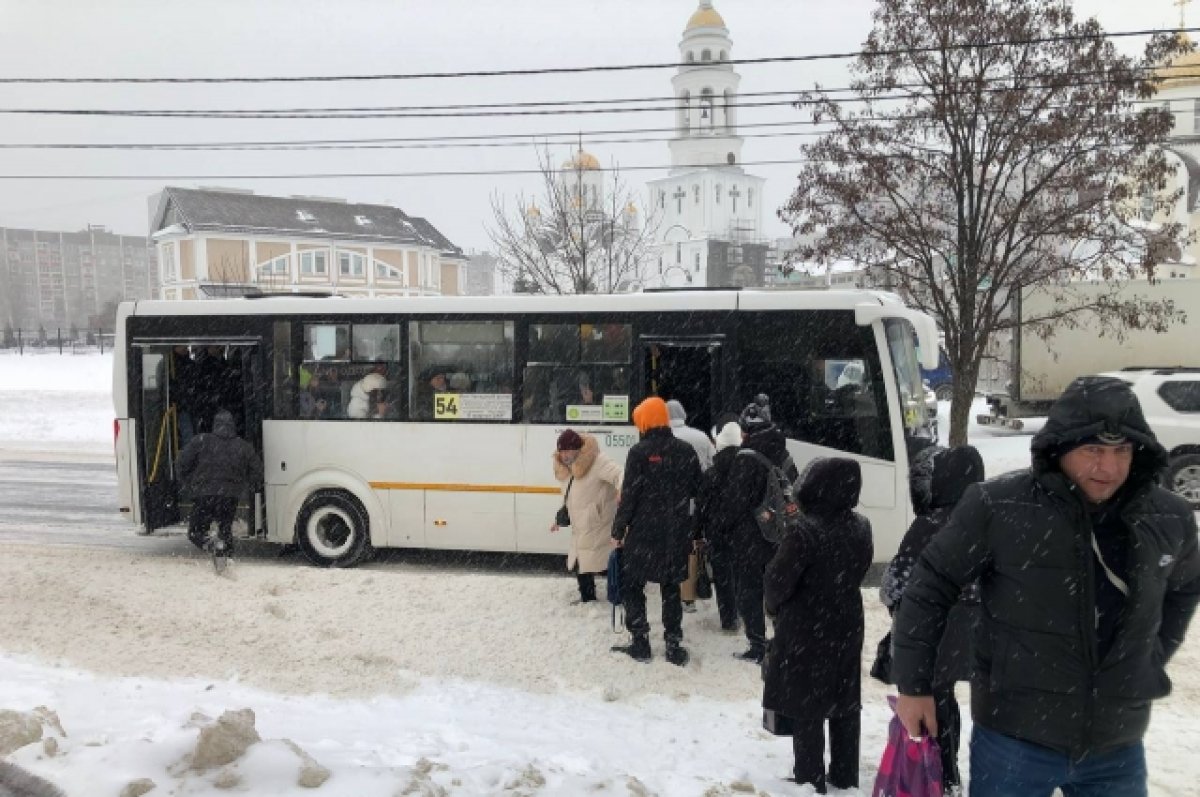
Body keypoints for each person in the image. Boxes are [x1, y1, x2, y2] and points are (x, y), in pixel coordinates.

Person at [892, 376, 1200, 797]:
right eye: (1093, 449)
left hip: (1117, 744)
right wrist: (914, 687)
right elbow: (929, 586)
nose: (1109, 468)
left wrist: (1154, 653)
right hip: (1014, 740)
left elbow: (1186, 586)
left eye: (1121, 451)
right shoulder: (998, 506)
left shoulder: (1169, 517)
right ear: (1060, 448)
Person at [763, 457, 872, 793]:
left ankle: (810, 778)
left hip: (806, 626)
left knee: (807, 704)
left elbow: (778, 581)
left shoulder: (804, 531)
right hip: (847, 621)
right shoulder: (861, 525)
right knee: (844, 700)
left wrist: (775, 607)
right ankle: (845, 775)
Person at [879, 445, 984, 794]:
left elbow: (896, 583)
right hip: (983, 634)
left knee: (933, 703)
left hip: (936, 634)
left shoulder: (929, 525)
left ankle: (940, 772)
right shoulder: (988, 516)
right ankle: (955, 776)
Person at [610, 396, 703, 666]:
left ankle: (641, 642)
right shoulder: (685, 451)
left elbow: (629, 496)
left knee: (632, 585)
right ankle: (673, 646)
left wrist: (618, 529)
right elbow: (699, 489)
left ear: (646, 421)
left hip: (643, 532)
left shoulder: (639, 452)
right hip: (676, 532)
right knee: (671, 588)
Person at [710, 394, 799, 663]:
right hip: (778, 534)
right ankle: (783, 638)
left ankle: (758, 645)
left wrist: (722, 527)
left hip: (750, 537)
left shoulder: (745, 459)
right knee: (779, 587)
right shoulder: (783, 453)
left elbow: (735, 502)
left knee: (749, 590)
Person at [178, 409, 264, 557]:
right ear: (232, 425)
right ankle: (226, 558)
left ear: (215, 424)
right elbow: (257, 472)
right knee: (225, 529)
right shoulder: (243, 446)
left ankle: (213, 546)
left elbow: (182, 462)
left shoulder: (201, 441)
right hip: (230, 496)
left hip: (205, 495)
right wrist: (244, 484)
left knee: (195, 532)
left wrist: (189, 482)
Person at [551, 429, 623, 603]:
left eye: (568, 451)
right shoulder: (566, 468)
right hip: (580, 524)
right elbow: (571, 495)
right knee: (581, 563)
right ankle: (588, 598)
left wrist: (621, 491)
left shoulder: (598, 461)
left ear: (578, 449)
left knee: (605, 562)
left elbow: (621, 474)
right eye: (561, 451)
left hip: (599, 522)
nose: (564, 455)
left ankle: (621, 594)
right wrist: (560, 518)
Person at [698, 419, 744, 631]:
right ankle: (744, 613)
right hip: (743, 533)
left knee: (723, 576)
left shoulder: (710, 474)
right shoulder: (747, 473)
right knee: (743, 575)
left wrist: (697, 531)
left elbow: (701, 506)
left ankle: (728, 620)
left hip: (716, 532)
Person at [667, 399, 715, 471]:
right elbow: (713, 460)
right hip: (701, 479)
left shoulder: (665, 440)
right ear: (682, 413)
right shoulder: (701, 435)